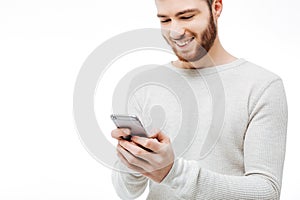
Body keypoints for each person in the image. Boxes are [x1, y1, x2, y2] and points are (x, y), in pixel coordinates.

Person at [111, 0, 288, 199]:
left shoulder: (262, 85)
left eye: (186, 16)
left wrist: (173, 172)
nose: (175, 31)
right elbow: (126, 192)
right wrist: (137, 161)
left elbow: (267, 193)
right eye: (165, 19)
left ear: (216, 7)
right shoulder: (147, 85)